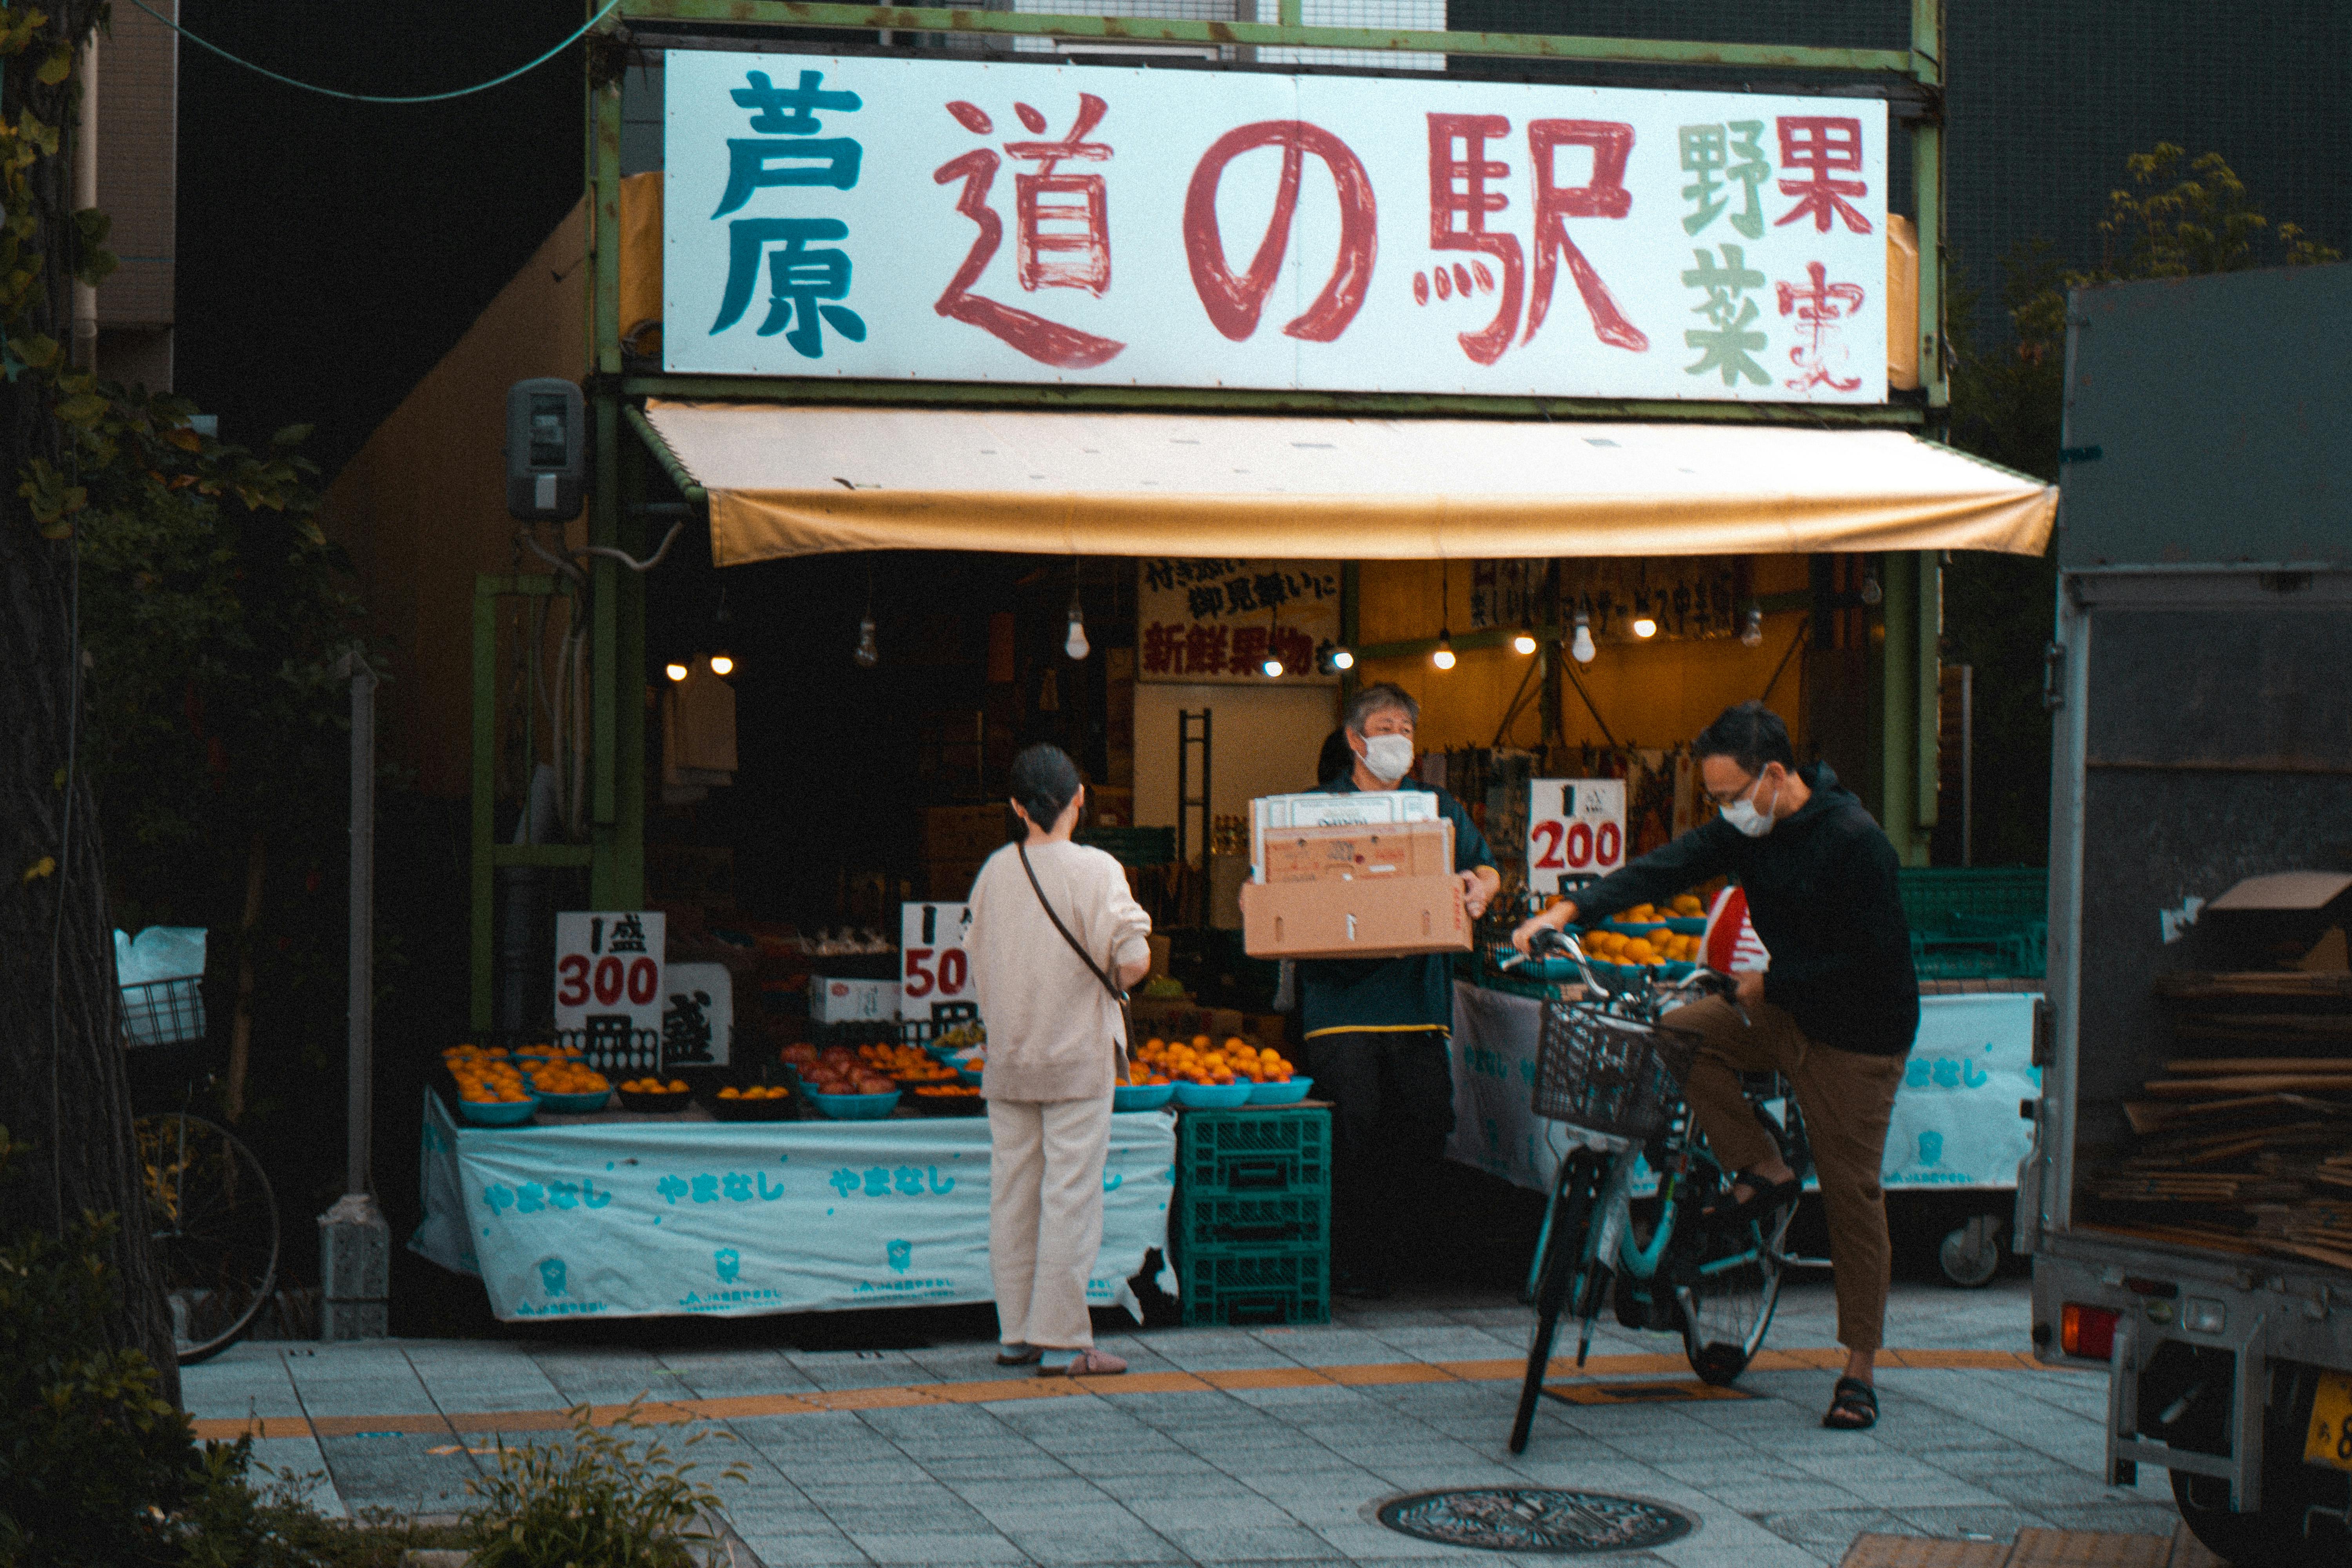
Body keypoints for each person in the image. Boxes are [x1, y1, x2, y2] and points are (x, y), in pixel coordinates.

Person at [1513, 701, 1916, 1432]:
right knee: (1680, 1031)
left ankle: (1859, 1369)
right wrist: (1572, 912)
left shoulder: (1857, 842)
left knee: (1855, 1195)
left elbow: (1872, 961)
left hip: (1857, 1034)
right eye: (1718, 801)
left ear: (1773, 774)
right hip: (1787, 1009)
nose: (1728, 812)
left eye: (1733, 796)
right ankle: (1761, 1167)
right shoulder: (1750, 829)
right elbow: (1669, 865)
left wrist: (1773, 982)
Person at [1298, 684, 1501, 1299]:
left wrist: (1481, 888)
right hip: (1341, 1006)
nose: (1400, 742)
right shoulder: (1315, 810)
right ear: (1357, 740)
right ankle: (1351, 1259)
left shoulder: (1434, 808)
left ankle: (1404, 1259)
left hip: (1418, 1002)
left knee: (1423, 1122)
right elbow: (1272, 879)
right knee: (1354, 1126)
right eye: (1387, 729)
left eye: (1408, 731)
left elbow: (1485, 867)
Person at [965, 744, 1152, 1377]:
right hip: (1076, 1058)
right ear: (1080, 798)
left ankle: (1015, 1332)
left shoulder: (995, 870)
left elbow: (975, 953)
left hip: (1011, 1057)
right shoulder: (1099, 869)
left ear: (1016, 807)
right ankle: (1065, 1339)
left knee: (1013, 1195)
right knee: (1070, 1195)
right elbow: (1134, 958)